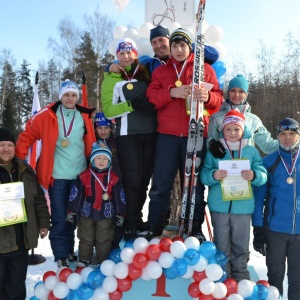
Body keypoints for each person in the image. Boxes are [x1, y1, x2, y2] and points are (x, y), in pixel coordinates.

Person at [142, 28, 223, 240]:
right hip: (167, 136)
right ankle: (154, 228)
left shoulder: (204, 69)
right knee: (160, 185)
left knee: (195, 185)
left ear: (190, 48)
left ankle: (195, 228)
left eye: (183, 46)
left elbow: (219, 99)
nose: (178, 50)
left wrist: (207, 96)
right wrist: (170, 92)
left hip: (195, 133)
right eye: (175, 46)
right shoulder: (161, 72)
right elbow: (151, 98)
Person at [16, 80, 96, 267]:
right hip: (57, 176)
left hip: (79, 176)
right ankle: (61, 256)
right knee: (59, 217)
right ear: (60, 96)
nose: (70, 98)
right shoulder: (47, 114)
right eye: (66, 95)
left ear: (77, 97)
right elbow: (27, 135)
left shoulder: (84, 115)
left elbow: (91, 141)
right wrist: (18, 161)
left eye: (73, 95)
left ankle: (69, 250)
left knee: (73, 217)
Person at [200, 111, 267, 281]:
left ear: (243, 131)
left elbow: (262, 173)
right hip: (220, 206)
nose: (232, 133)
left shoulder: (251, 152)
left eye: (236, 129)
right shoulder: (215, 151)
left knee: (240, 244)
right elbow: (204, 174)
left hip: (243, 207)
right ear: (222, 130)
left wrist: (254, 175)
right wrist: (214, 175)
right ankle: (224, 277)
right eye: (228, 129)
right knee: (222, 244)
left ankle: (241, 276)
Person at [101, 38, 157, 241]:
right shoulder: (111, 78)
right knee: (132, 181)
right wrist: (132, 106)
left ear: (135, 54)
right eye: (121, 53)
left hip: (150, 134)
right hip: (127, 136)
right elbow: (108, 110)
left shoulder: (145, 71)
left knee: (144, 182)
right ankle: (130, 223)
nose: (125, 57)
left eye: (129, 52)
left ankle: (136, 217)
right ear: (117, 56)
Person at [252, 117, 300, 299]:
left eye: (292, 134)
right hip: (275, 230)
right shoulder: (269, 162)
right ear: (277, 136)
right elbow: (259, 198)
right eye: (283, 134)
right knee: (275, 278)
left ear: (298, 136)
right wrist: (258, 230)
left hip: (299, 233)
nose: (287, 138)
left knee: (297, 280)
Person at [0, 128, 50, 299]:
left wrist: (43, 223)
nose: (6, 149)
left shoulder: (24, 170)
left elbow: (38, 198)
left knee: (15, 289)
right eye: (1, 145)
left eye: (9, 145)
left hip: (21, 242)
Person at [67, 142, 126, 266]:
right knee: (85, 237)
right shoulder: (84, 176)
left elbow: (119, 197)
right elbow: (76, 195)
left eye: (105, 159)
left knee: (104, 239)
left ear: (109, 161)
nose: (101, 161)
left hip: (106, 214)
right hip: (86, 213)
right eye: (98, 158)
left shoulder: (114, 178)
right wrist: (72, 212)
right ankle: (84, 258)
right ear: (92, 160)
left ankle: (102, 260)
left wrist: (120, 214)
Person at [208, 74, 279, 158]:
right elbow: (209, 140)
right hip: (222, 167)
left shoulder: (254, 120)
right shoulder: (216, 118)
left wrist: (290, 142)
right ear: (228, 92)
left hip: (246, 167)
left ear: (247, 94)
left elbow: (268, 146)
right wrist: (211, 143)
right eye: (233, 90)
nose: (236, 95)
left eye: (241, 91)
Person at [94, 111, 123, 249]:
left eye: (106, 128)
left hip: (115, 185)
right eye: (100, 128)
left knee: (115, 216)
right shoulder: (92, 142)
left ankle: (115, 245)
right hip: (97, 187)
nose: (103, 131)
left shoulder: (118, 142)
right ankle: (99, 248)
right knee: (99, 219)